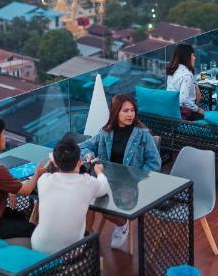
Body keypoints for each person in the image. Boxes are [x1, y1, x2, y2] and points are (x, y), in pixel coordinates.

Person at [80, 94, 161, 249]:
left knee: (104, 208)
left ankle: (122, 224)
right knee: (87, 199)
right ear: (116, 112)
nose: (130, 114)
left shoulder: (143, 134)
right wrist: (88, 155)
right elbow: (82, 146)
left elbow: (154, 163)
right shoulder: (105, 133)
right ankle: (86, 239)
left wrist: (135, 179)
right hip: (108, 180)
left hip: (132, 186)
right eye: (125, 111)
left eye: (132, 110)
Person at [31, 137, 109, 254]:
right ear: (79, 162)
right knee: (95, 244)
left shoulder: (43, 180)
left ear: (55, 163)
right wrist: (99, 171)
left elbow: (48, 170)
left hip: (38, 247)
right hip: (69, 253)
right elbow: (104, 187)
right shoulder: (88, 183)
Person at [166, 43, 204, 120]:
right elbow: (184, 100)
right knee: (207, 116)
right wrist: (198, 109)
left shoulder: (173, 70)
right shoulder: (187, 75)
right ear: (187, 57)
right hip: (182, 114)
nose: (195, 58)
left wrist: (196, 86)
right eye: (193, 55)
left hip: (170, 110)